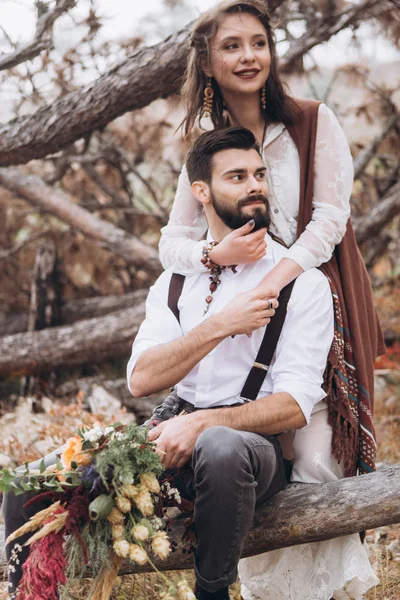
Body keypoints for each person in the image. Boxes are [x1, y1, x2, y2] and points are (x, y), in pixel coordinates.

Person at [127, 127, 378, 600]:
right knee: (37, 483)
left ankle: (213, 594)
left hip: (252, 455)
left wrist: (201, 425)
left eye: (259, 174)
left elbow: (295, 406)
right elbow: (141, 379)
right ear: (200, 192)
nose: (255, 185)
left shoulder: (301, 285)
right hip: (171, 440)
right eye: (237, 176)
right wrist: (220, 324)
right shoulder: (175, 283)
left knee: (220, 446)